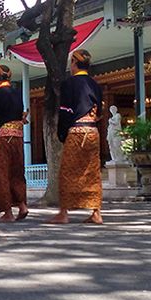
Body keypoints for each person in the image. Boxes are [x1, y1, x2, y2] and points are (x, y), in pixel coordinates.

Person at [49, 49, 104, 225]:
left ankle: (64, 212)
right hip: (93, 132)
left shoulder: (69, 84)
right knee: (92, 172)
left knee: (67, 171)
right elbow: (100, 113)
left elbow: (65, 111)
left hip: (76, 131)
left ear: (74, 63)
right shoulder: (96, 84)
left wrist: (62, 132)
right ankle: (96, 212)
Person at [0, 65, 29, 222]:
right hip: (17, 137)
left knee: (1, 173)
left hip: (3, 137)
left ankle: (8, 212)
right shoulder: (17, 93)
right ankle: (22, 205)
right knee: (17, 172)